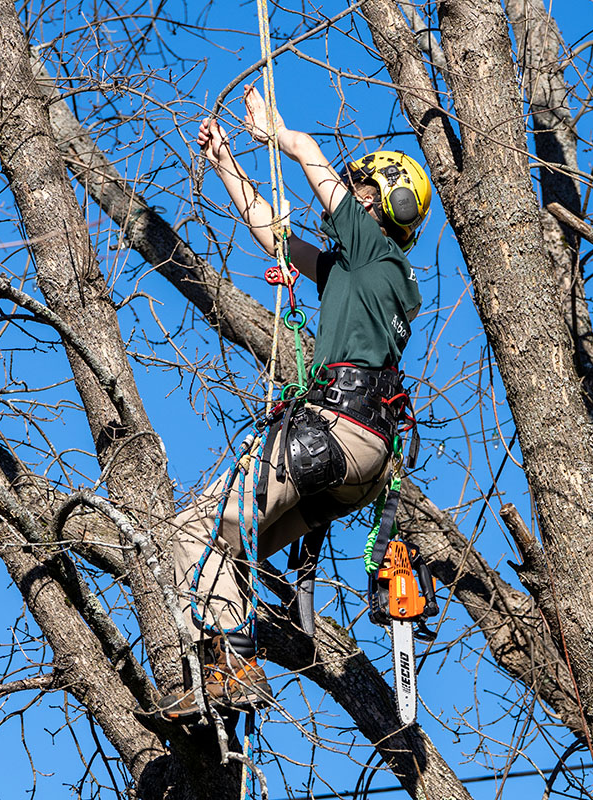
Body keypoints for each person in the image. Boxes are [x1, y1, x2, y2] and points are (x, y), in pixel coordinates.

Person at [159, 85, 432, 720]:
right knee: (228, 545)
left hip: (334, 430)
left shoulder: (374, 249)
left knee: (192, 528)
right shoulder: (363, 269)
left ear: (382, 201)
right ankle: (221, 678)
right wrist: (227, 164)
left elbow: (309, 154)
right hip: (358, 460)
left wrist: (276, 132)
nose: (353, 194)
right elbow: (276, 238)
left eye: (363, 188)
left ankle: (234, 664)